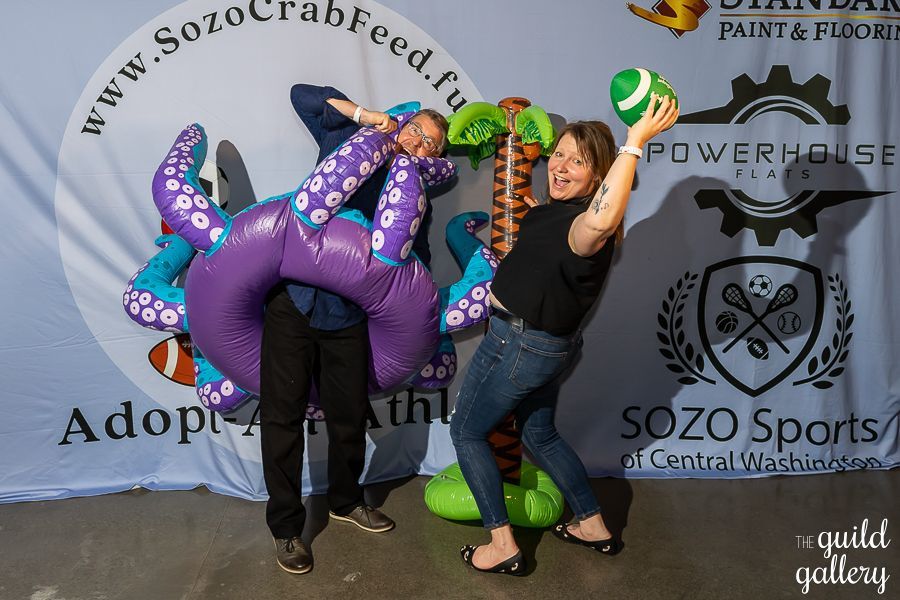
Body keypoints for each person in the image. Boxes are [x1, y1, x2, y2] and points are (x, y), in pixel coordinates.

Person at [449, 95, 678, 575]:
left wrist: (633, 144)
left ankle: (502, 545)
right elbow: (548, 240)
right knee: (541, 433)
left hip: (517, 345)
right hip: (547, 347)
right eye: (560, 154)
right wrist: (537, 211)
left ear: (599, 178)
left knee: (467, 431)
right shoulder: (554, 212)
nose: (561, 166)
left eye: (579, 161)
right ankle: (592, 524)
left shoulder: (587, 228)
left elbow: (598, 220)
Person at [261, 83, 448, 574]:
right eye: (419, 134)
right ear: (404, 124)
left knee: (348, 417)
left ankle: (346, 502)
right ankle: (286, 530)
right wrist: (369, 116)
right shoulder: (346, 143)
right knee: (282, 419)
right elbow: (302, 95)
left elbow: (415, 260)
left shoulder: (413, 196)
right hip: (294, 305)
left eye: (433, 147)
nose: (421, 146)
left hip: (349, 316)